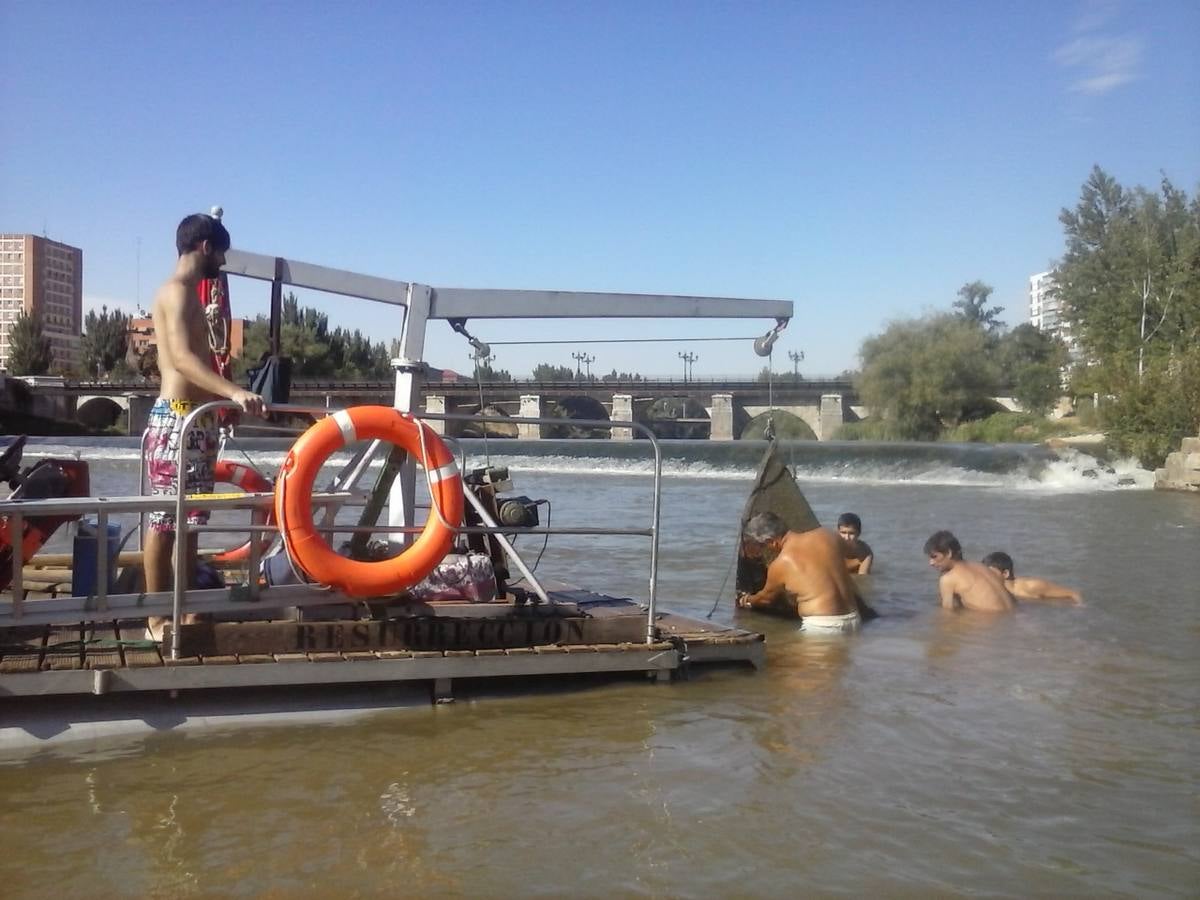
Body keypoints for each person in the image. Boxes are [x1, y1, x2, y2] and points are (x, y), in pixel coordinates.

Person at [144, 212, 264, 640]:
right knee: (163, 521)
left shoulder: (192, 295)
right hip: (176, 417)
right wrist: (232, 392)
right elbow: (181, 360)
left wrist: (220, 404)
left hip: (197, 420)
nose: (224, 265)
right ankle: (157, 619)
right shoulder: (176, 293)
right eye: (222, 255)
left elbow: (201, 359)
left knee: (190, 523)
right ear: (206, 247)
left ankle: (187, 608)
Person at [736, 512, 864, 634]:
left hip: (823, 626)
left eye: (763, 546)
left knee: (779, 655)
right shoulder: (827, 534)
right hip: (854, 619)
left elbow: (765, 599)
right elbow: (859, 553)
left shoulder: (781, 563)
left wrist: (747, 600)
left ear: (771, 542)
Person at [924, 530, 1014, 613]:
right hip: (1012, 618)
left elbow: (948, 614)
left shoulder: (948, 579)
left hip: (991, 623)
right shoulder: (982, 566)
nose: (931, 563)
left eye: (934, 557)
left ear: (949, 553)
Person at [982, 552, 1084, 605]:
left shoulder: (1031, 586)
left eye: (989, 572)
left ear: (1005, 573)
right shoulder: (992, 590)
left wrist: (1079, 611)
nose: (985, 576)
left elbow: (1073, 593)